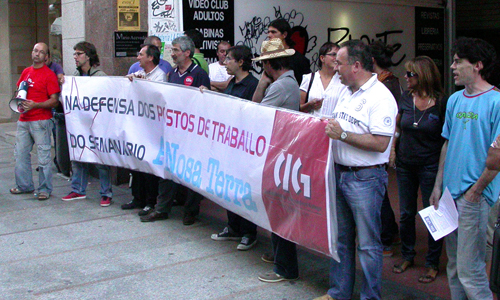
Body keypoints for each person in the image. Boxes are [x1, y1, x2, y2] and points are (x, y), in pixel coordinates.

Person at [315, 40, 397, 300]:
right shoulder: (345, 91)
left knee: (369, 246)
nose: (335, 67)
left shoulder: (381, 97)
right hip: (340, 174)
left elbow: (381, 143)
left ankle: (369, 296)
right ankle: (338, 292)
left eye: (339, 62)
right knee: (342, 241)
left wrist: (343, 134)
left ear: (357, 65)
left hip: (366, 179)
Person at [429, 37, 500, 300]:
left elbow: (497, 158)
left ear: (478, 65)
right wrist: (438, 186)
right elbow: (447, 144)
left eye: (459, 62)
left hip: (476, 198)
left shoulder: (496, 102)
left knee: (472, 271)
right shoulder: (455, 100)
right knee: (455, 266)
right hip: (449, 195)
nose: (452, 67)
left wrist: (475, 192)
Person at [140, 36, 210, 226]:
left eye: (176, 50)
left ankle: (191, 211)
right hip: (173, 131)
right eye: (172, 50)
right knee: (166, 170)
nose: (172, 54)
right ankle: (162, 208)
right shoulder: (172, 73)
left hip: (192, 133)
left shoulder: (199, 74)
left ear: (187, 53)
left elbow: (206, 103)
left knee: (191, 173)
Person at [390, 56, 447, 283]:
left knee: (432, 212)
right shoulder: (405, 98)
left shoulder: (442, 102)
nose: (406, 77)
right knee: (405, 213)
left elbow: (446, 138)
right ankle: (407, 255)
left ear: (422, 76)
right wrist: (393, 151)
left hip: (430, 165)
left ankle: (432, 263)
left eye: (410, 74)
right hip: (405, 164)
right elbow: (397, 127)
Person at [251, 38, 300, 282]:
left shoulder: (280, 87)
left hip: (279, 154)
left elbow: (256, 113)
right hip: (283, 153)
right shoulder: (289, 83)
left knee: (279, 210)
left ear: (270, 64)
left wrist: (261, 86)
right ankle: (280, 258)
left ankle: (285, 267)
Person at [208, 45, 259, 251]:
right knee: (229, 188)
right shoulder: (231, 82)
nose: (225, 61)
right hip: (229, 143)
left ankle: (249, 232)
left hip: (243, 146)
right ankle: (233, 226)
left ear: (240, 62)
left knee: (244, 190)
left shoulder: (253, 85)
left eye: (229, 58)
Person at [61, 41, 113, 207]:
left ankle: (106, 193)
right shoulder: (74, 77)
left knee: (101, 161)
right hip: (79, 125)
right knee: (78, 157)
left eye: (79, 54)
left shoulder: (100, 77)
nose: (75, 57)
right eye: (74, 54)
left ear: (89, 56)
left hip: (97, 125)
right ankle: (78, 189)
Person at [10, 42, 60, 201]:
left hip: (41, 121)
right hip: (24, 120)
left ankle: (44, 189)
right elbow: (18, 91)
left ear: (46, 57)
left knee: (44, 157)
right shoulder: (26, 72)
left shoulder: (49, 75)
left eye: (41, 52)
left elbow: (55, 101)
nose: (36, 53)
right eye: (35, 50)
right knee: (21, 154)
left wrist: (35, 105)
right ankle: (24, 185)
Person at [122, 44, 166, 215]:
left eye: (141, 54)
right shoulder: (139, 74)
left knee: (149, 167)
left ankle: (150, 201)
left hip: (152, 129)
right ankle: (137, 198)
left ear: (150, 58)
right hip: (138, 126)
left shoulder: (160, 76)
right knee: (136, 165)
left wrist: (144, 86)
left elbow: (158, 97)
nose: (138, 57)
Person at [370, 41, 402, 257]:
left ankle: (386, 237)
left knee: (379, 192)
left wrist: (391, 147)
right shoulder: (387, 81)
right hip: (383, 141)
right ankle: (389, 231)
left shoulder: (387, 84)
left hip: (383, 141)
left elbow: (395, 119)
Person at [299, 42, 343, 117]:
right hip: (311, 125)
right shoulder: (309, 78)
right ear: (322, 58)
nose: (337, 58)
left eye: (338, 55)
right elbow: (298, 108)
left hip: (332, 126)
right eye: (333, 54)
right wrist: (309, 105)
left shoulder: (343, 80)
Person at [267, 18, 311, 85]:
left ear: (284, 34)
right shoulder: (270, 57)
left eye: (273, 32)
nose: (269, 35)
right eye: (268, 32)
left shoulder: (299, 59)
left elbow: (305, 86)